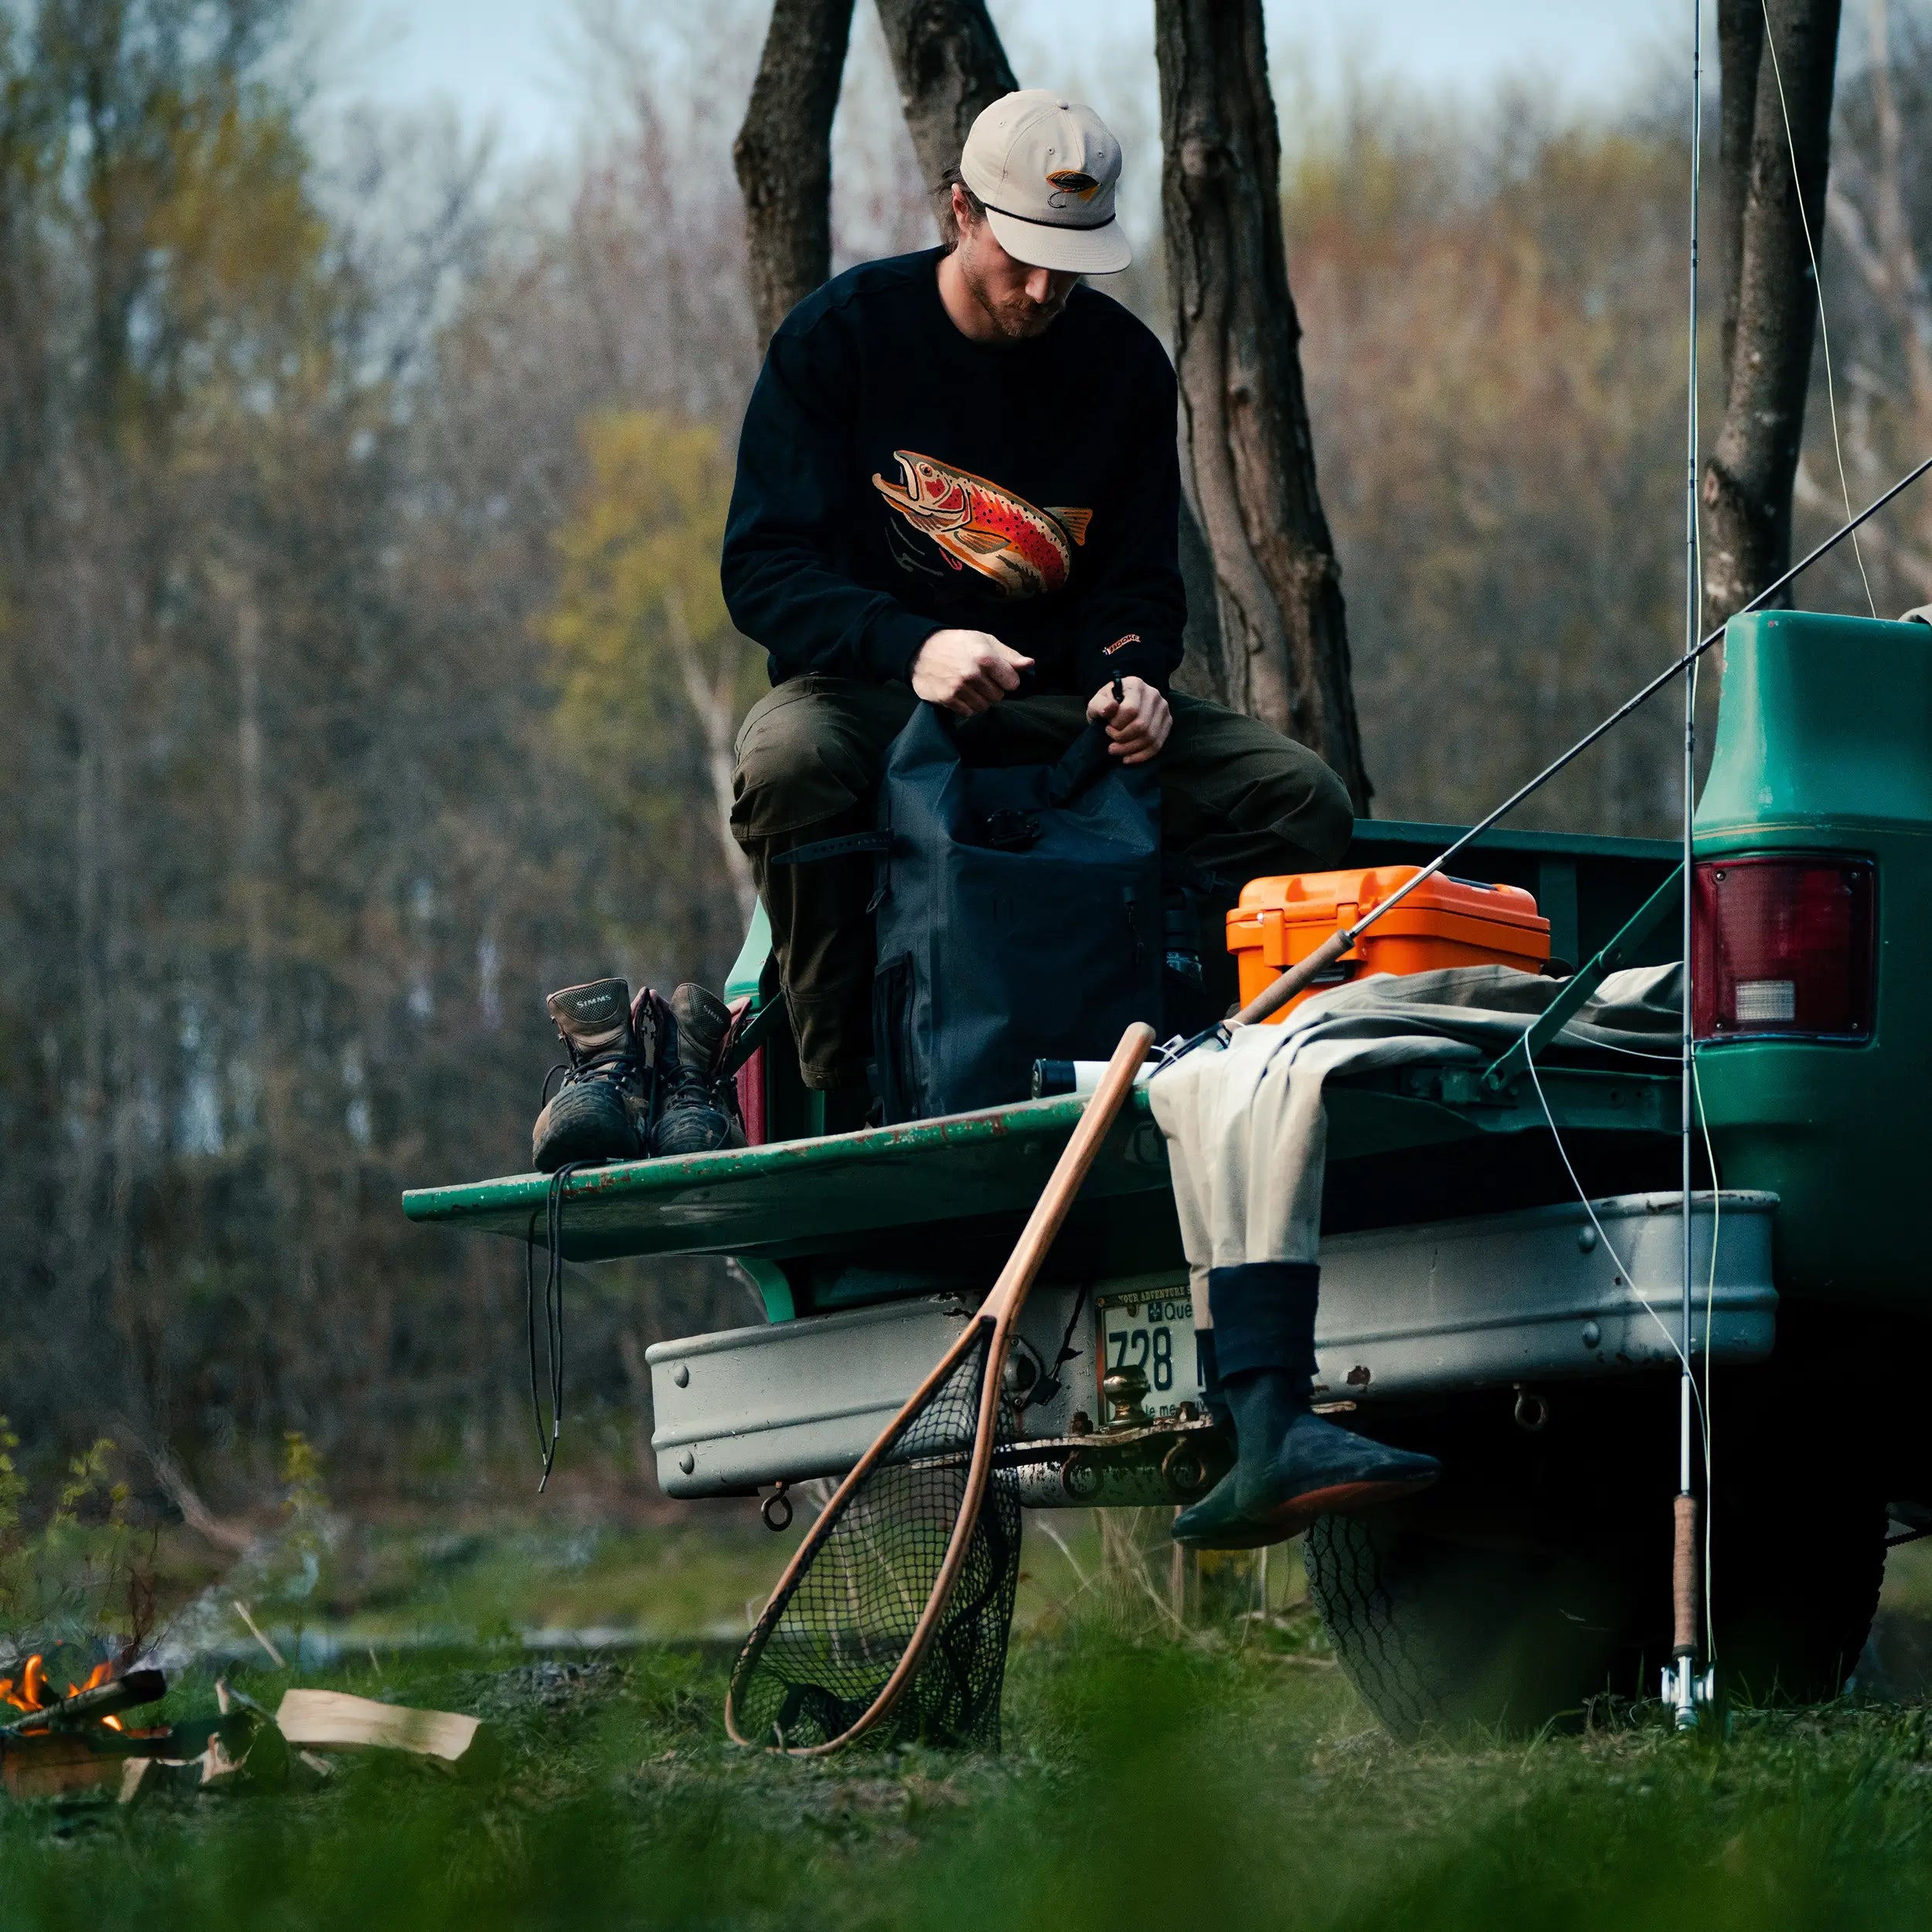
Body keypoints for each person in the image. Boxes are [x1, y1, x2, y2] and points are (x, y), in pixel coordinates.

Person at [721, 90, 1435, 1548]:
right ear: (957, 212)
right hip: (881, 694)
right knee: (786, 761)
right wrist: (908, 647)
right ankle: (851, 1090)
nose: (1045, 288)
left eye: (1074, 260)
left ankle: (1215, 1083)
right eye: (1019, 256)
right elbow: (764, 572)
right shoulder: (842, 343)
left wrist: (1132, 680)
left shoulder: (1118, 365)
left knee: (1301, 798)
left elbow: (1139, 588)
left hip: (1057, 706)